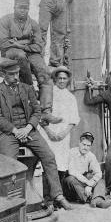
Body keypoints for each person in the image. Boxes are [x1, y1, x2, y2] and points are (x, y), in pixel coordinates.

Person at [0, 59, 72, 210]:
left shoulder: (27, 88)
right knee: (9, 164)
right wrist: (15, 130)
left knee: (49, 156)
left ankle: (57, 195)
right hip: (8, 133)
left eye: (17, 73)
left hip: (29, 130)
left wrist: (27, 128)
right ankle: (11, 203)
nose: (15, 77)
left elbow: (37, 111)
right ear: (3, 74)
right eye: (11, 74)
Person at [0, 0, 60, 124]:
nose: (23, 11)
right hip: (11, 52)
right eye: (20, 7)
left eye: (26, 8)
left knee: (44, 72)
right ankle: (30, 94)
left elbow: (39, 46)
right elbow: (3, 43)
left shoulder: (33, 24)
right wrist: (19, 46)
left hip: (29, 51)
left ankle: (46, 111)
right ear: (14, 7)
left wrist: (20, 44)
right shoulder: (5, 21)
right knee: (20, 56)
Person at [39, 66, 80, 204]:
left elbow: (74, 119)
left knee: (62, 165)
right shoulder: (47, 94)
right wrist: (50, 132)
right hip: (49, 135)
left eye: (64, 78)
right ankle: (48, 199)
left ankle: (59, 198)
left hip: (63, 137)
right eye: (59, 78)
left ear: (68, 80)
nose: (62, 81)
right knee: (49, 164)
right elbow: (40, 116)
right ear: (55, 79)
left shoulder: (71, 97)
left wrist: (63, 133)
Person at [62, 132, 110, 209]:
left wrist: (90, 185)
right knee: (70, 179)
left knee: (100, 180)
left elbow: (98, 172)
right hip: (70, 185)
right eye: (84, 144)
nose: (85, 148)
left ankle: (97, 199)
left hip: (82, 181)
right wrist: (88, 183)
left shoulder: (90, 155)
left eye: (88, 146)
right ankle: (92, 198)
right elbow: (72, 172)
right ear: (79, 143)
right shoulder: (72, 152)